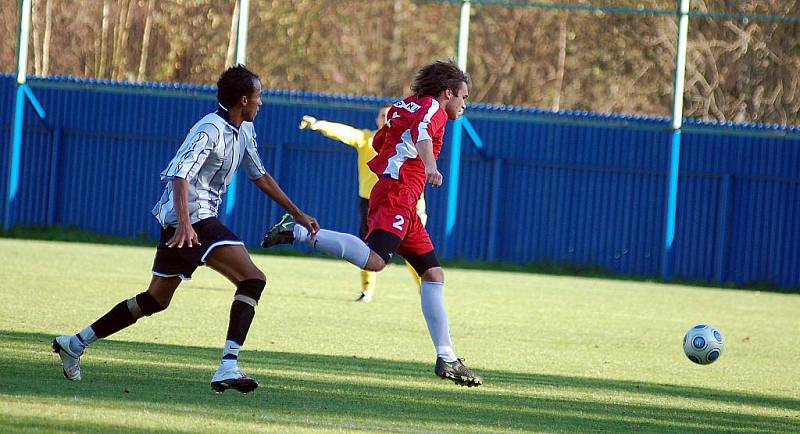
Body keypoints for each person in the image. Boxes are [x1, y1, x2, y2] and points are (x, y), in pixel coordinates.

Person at [51, 64, 319, 394]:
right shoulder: (208, 128)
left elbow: (260, 175)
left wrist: (298, 213)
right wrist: (187, 225)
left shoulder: (244, 132)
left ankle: (75, 343)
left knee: (154, 300)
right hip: (192, 220)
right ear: (244, 100)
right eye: (259, 96)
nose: (262, 103)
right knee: (253, 278)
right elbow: (180, 175)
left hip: (189, 223)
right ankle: (228, 365)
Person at [262, 60, 482, 387]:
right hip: (397, 193)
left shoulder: (402, 106)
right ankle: (297, 231)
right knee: (375, 260)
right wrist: (431, 166)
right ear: (447, 92)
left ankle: (447, 357)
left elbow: (382, 142)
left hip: (402, 196)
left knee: (433, 274)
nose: (464, 104)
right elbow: (421, 135)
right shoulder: (433, 110)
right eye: (463, 97)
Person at [298, 108, 427, 302]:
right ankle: (367, 291)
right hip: (371, 203)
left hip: (402, 203)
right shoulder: (367, 140)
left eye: (390, 115)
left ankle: (424, 286)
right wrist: (318, 125)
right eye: (383, 115)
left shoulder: (406, 143)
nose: (386, 119)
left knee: (410, 248)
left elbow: (415, 176)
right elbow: (344, 132)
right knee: (368, 247)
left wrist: (418, 204)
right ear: (377, 119)